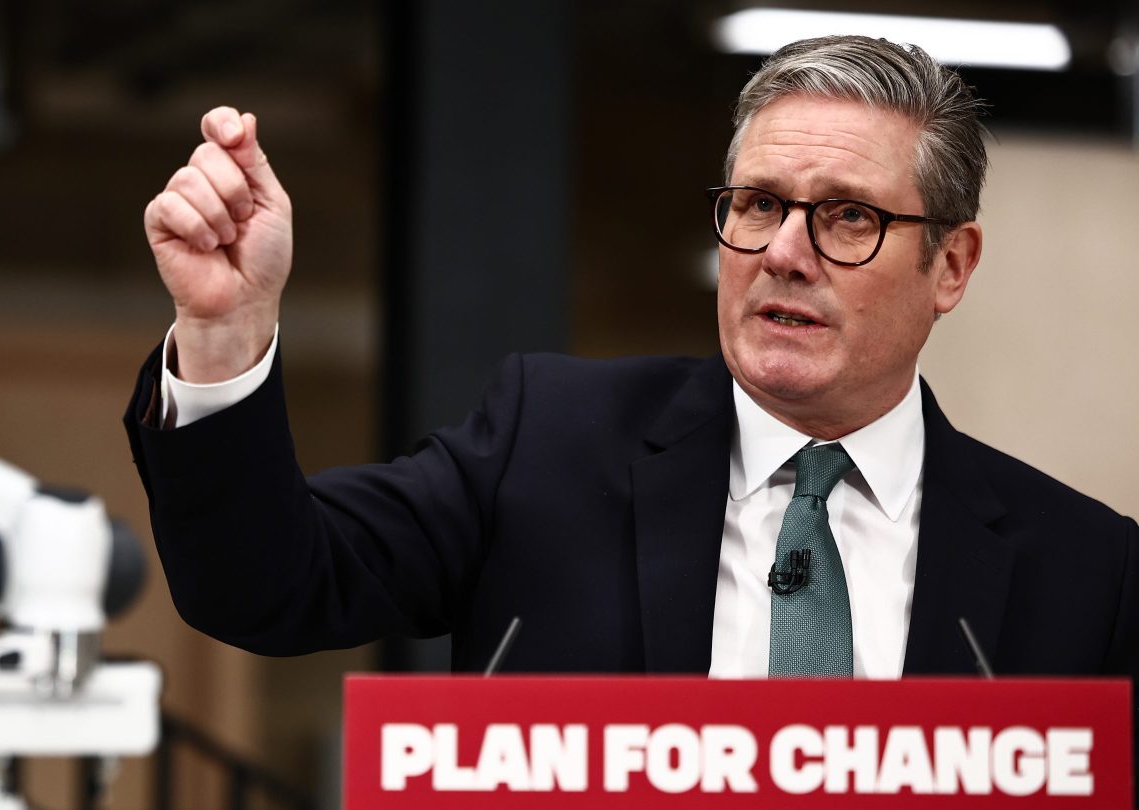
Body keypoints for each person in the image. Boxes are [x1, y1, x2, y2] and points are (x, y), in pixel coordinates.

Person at [124, 36, 1138, 687]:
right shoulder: (548, 443)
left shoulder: (1088, 573)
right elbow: (264, 586)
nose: (783, 251)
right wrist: (225, 329)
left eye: (846, 217)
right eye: (757, 205)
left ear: (950, 265)